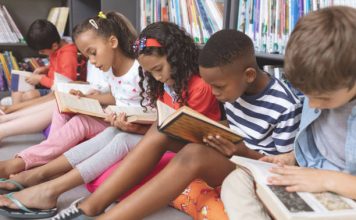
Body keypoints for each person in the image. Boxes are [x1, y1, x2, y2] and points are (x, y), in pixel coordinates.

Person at [54, 28, 301, 220]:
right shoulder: (233, 87)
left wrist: (242, 151)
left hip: (251, 170)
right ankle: (92, 204)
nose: (214, 93)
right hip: (231, 153)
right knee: (162, 127)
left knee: (193, 154)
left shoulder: (284, 106)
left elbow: (279, 169)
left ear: (248, 74)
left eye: (218, 87)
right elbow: (237, 126)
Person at [220, 6, 356, 220]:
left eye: (323, 98)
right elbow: (318, 145)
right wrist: (290, 158)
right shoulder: (323, 86)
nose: (312, 103)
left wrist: (325, 180)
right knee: (236, 183)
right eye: (306, 94)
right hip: (309, 177)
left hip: (344, 191)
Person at [0, 11, 138, 181]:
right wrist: (86, 98)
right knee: (61, 106)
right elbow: (116, 97)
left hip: (125, 123)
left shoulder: (138, 70)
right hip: (112, 115)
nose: (92, 62)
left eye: (93, 53)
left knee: (79, 122)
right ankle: (38, 157)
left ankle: (24, 162)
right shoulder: (110, 69)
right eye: (87, 56)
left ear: (113, 42)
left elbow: (148, 109)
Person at [8, 19, 78, 105]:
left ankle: (16, 110)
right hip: (50, 83)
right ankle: (14, 110)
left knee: (29, 96)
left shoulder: (68, 55)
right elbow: (57, 65)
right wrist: (45, 69)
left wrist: (40, 79)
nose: (40, 53)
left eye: (42, 51)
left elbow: (67, 84)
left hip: (58, 90)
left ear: (54, 46)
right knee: (17, 89)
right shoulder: (56, 48)